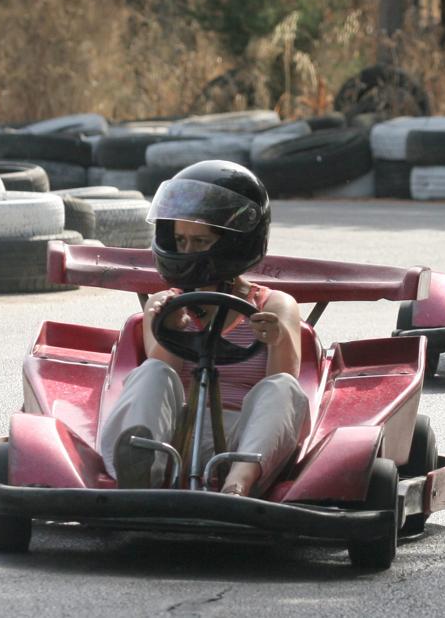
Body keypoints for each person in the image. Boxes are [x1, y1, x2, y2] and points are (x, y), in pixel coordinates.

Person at [96, 160, 308, 497]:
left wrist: (277, 338)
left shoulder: (274, 305)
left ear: (233, 242)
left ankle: (237, 487)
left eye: (200, 241)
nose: (187, 251)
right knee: (153, 371)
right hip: (173, 436)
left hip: (246, 442)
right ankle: (142, 472)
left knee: (282, 387)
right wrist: (172, 331)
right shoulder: (165, 303)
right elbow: (163, 375)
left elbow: (287, 385)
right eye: (181, 240)